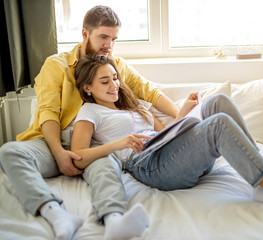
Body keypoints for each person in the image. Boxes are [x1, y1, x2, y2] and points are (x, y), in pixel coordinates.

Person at [72, 53, 263, 236]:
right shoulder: (90, 113)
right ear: (87, 88)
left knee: (217, 103)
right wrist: (118, 143)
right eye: (105, 81)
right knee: (217, 125)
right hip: (149, 166)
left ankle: (262, 185)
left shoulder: (136, 105)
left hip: (166, 151)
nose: (114, 85)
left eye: (115, 78)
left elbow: (167, 133)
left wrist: (184, 112)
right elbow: (79, 156)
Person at [0, 5, 178, 240]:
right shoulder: (57, 64)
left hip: (93, 141)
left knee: (106, 165)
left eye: (114, 39)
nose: (109, 45)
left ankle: (114, 220)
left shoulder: (116, 64)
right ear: (85, 34)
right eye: (103, 37)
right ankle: (56, 215)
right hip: (54, 139)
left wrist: (180, 118)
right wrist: (59, 153)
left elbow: (150, 92)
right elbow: (49, 113)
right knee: (9, 152)